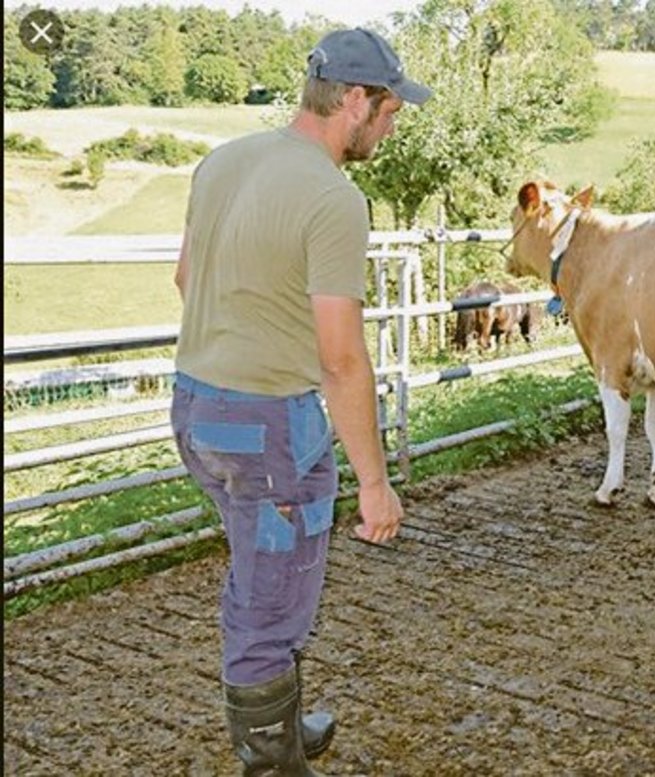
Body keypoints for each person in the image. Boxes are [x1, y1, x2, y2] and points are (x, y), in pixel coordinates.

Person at [171, 28, 430, 774]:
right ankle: (273, 762)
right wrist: (375, 484)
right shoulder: (332, 198)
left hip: (197, 408)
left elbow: (188, 279)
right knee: (271, 598)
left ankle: (281, 724)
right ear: (354, 101)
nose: (392, 122)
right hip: (268, 424)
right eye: (388, 109)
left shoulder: (223, 162)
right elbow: (342, 359)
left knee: (261, 571)